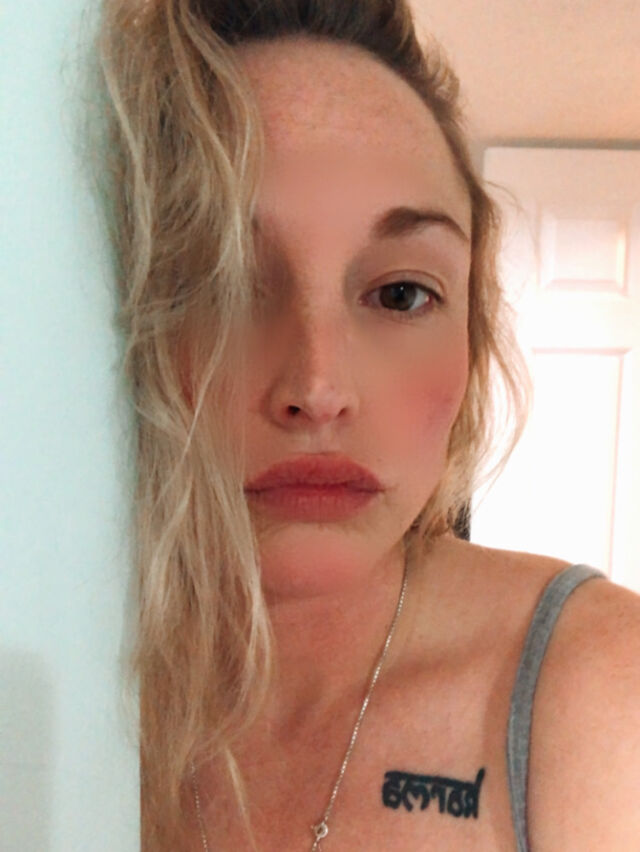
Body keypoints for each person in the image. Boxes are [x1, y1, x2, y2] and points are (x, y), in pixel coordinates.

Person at [96, 1, 640, 849]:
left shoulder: (601, 688)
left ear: (471, 331)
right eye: (225, 286)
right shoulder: (61, 662)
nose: (318, 390)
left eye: (400, 294)